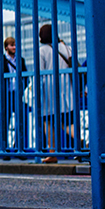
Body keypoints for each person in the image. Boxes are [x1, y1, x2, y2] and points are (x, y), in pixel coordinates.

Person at [37, 23, 73, 163]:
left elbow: (40, 73)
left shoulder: (42, 50)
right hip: (67, 89)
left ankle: (53, 152)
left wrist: (36, 94)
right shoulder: (66, 47)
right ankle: (83, 141)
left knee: (48, 121)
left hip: (49, 91)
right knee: (67, 120)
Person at [0, 36, 28, 152]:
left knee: (20, 121)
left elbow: (25, 76)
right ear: (6, 47)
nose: (14, 47)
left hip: (17, 94)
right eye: (12, 45)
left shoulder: (20, 60)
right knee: (4, 122)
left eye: (15, 45)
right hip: (5, 94)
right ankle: (4, 148)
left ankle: (18, 147)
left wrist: (24, 89)